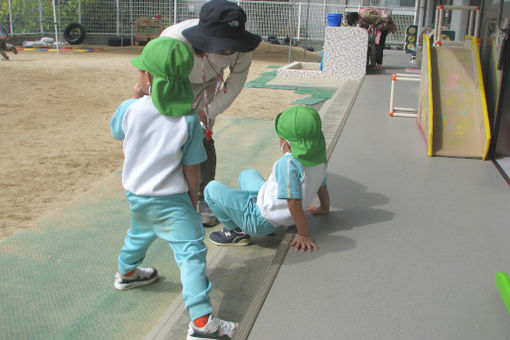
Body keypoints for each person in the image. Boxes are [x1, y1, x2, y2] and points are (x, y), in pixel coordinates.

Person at [110, 37, 236, 340]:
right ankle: (203, 323)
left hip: (138, 196)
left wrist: (135, 97)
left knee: (139, 234)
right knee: (191, 254)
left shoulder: (129, 109)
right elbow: (192, 168)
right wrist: (193, 203)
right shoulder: (189, 121)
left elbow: (117, 131)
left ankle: (126, 274)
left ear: (149, 78)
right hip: (174, 201)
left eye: (141, 71)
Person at [160, 0, 262, 228]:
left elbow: (233, 87)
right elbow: (155, 75)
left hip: (210, 82)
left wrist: (207, 114)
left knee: (202, 136)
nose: (227, 51)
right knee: (172, 137)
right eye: (220, 45)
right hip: (176, 80)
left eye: (231, 46)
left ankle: (204, 197)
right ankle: (170, 197)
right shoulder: (174, 40)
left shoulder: (242, 49)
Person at [205, 106, 330, 252]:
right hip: (280, 214)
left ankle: (236, 232)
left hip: (260, 220)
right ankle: (272, 225)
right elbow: (322, 186)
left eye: (280, 137)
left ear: (287, 143)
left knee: (210, 189)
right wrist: (324, 208)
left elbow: (294, 201)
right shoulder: (320, 159)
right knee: (247, 174)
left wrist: (304, 234)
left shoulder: (288, 164)